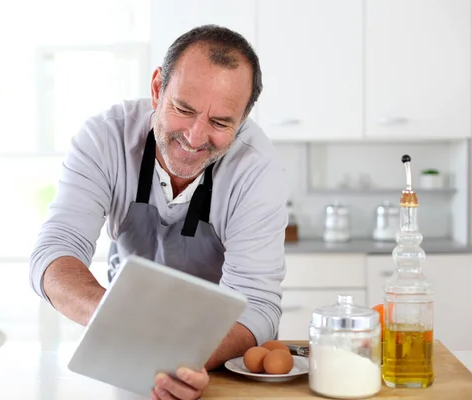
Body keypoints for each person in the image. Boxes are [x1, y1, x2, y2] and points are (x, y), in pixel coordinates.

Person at [30, 24, 288, 400]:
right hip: (124, 354)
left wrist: (183, 361)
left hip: (213, 365)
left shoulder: (258, 170)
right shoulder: (105, 138)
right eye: (183, 109)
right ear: (157, 89)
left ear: (244, 118)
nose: (195, 138)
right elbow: (54, 254)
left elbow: (258, 306)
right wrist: (116, 320)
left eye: (220, 123)